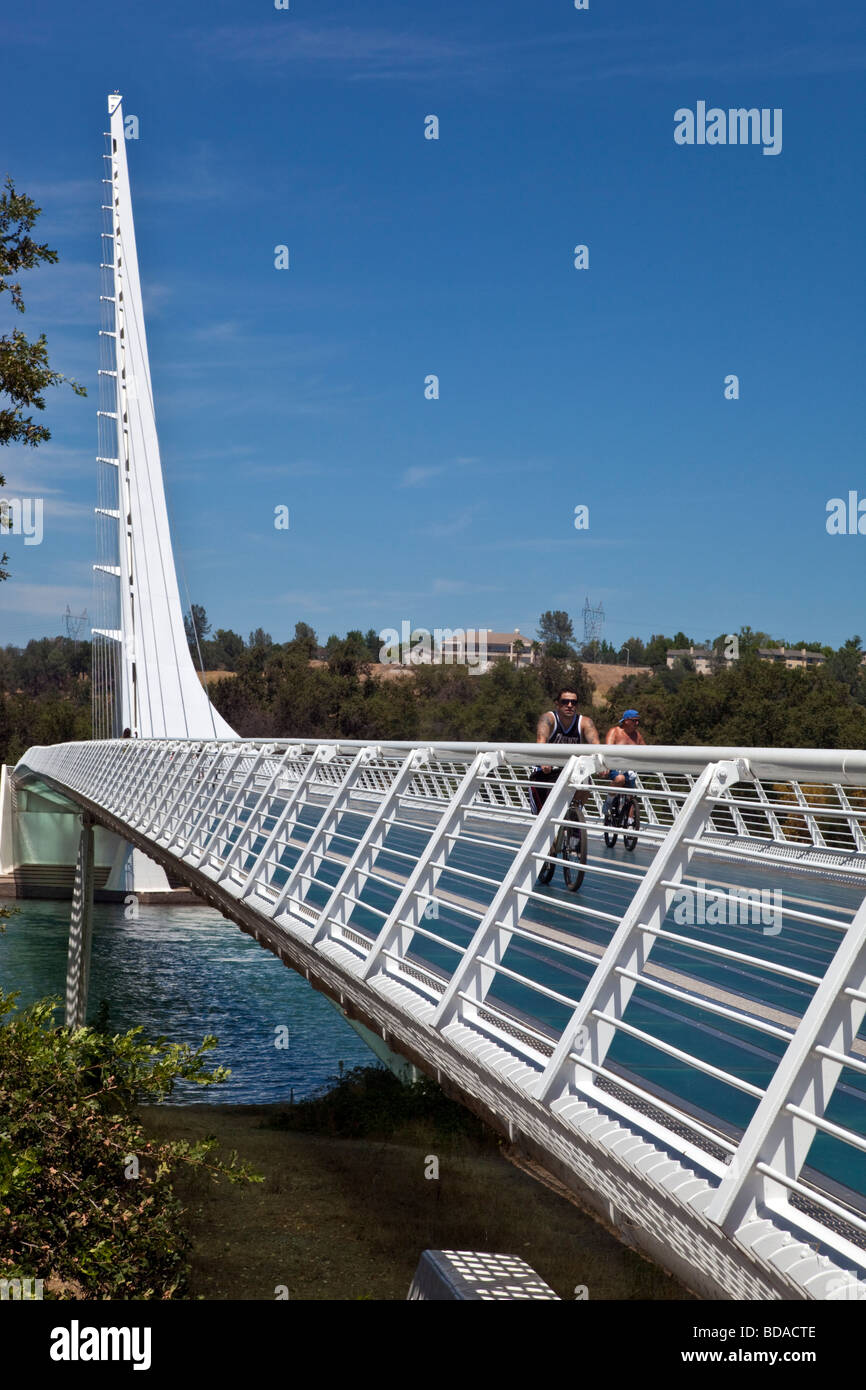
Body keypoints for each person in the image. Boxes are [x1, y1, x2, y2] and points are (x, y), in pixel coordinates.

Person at [530, 689, 600, 814]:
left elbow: (596, 746)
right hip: (546, 771)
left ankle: (573, 814)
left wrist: (601, 762)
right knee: (542, 816)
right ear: (557, 703)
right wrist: (544, 760)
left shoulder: (585, 722)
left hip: (570, 769)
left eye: (573, 702)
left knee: (586, 780)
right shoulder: (548, 719)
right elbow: (541, 740)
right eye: (565, 702)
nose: (569, 705)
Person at [603, 708, 644, 812]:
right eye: (634, 720)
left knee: (632, 795)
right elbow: (607, 750)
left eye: (638, 720)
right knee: (620, 779)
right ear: (626, 721)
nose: (637, 723)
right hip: (615, 767)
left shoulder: (637, 735)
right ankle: (608, 801)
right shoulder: (615, 732)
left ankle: (630, 821)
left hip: (630, 769)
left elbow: (646, 751)